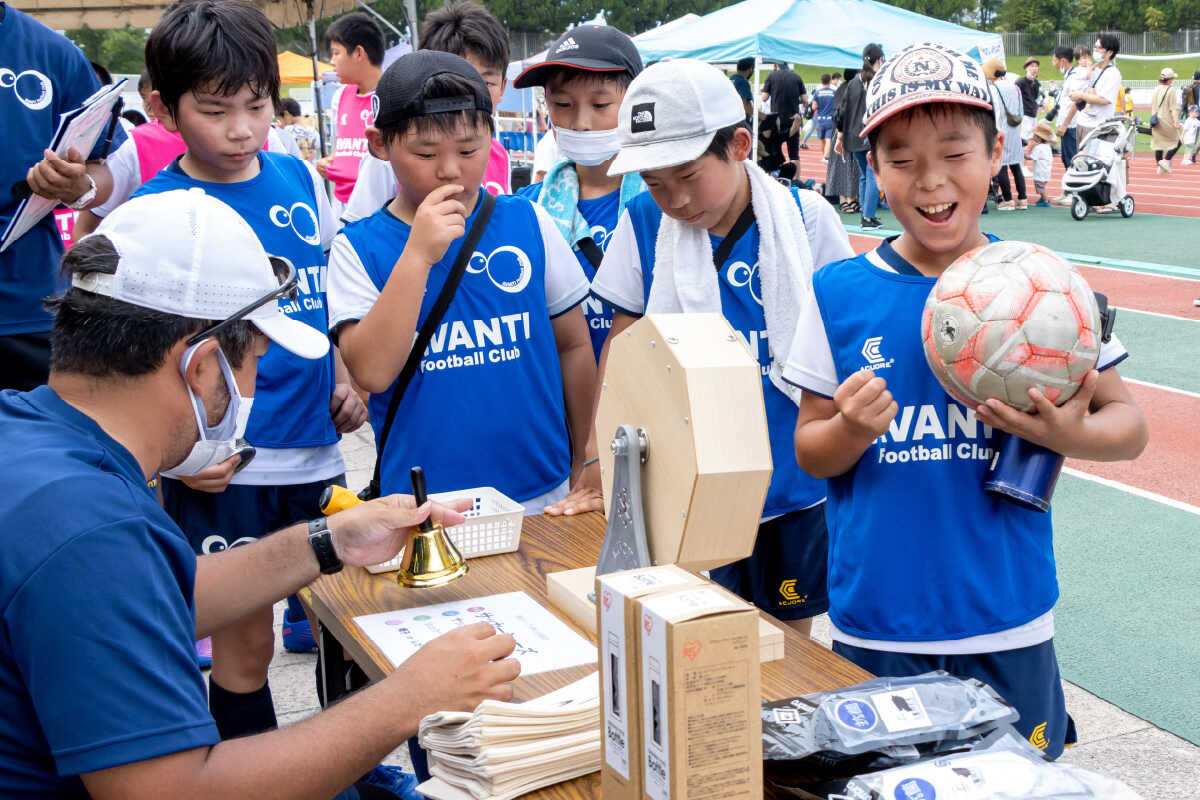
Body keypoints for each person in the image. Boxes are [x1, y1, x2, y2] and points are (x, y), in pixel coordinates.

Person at [0, 187, 520, 798]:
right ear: (200, 366)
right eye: (254, 366)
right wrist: (408, 698)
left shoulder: (33, 436)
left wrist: (331, 540)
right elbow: (172, 792)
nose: (251, 390)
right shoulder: (91, 528)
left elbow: (154, 599)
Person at [786, 42, 1147, 760]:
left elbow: (1128, 425)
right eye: (902, 160)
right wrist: (852, 431)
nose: (932, 181)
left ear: (994, 155)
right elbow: (809, 448)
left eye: (955, 154)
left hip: (1006, 616)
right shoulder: (838, 292)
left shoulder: (1043, 286)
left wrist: (1073, 431)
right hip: (879, 621)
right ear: (875, 173)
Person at [134, 0, 368, 739]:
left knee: (343, 621)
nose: (241, 129)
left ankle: (350, 772)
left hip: (316, 453)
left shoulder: (299, 178)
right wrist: (180, 460)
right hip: (224, 472)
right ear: (164, 109)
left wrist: (343, 376)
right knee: (245, 644)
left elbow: (324, 292)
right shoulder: (152, 213)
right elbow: (138, 359)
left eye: (256, 106)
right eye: (215, 109)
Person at [586, 59, 853, 632]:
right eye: (656, 183)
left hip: (790, 483)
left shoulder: (804, 221)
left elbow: (845, 337)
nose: (676, 200)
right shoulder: (641, 224)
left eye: (686, 175)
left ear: (737, 144)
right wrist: (596, 457)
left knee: (786, 638)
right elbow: (625, 345)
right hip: (688, 477)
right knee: (691, 628)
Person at [327, 51, 597, 517]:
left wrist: (583, 459)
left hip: (544, 493)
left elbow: (573, 346)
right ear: (379, 144)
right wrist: (417, 256)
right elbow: (370, 372)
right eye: (426, 154)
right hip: (422, 505)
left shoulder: (527, 220)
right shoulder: (359, 247)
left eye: (469, 150)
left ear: (491, 138)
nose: (450, 169)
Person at [3, 2, 126, 391]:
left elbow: (105, 171)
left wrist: (78, 187)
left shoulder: (52, 53)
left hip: (27, 309)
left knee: (35, 448)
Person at [512, 25, 646, 364]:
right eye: (562, 104)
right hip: (559, 399)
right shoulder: (528, 209)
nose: (580, 122)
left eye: (600, 104)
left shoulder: (668, 204)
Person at [341, 0, 514, 224]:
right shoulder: (391, 158)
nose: (473, 94)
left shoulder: (499, 155)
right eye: (456, 82)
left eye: (486, 83)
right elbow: (360, 231)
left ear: (502, 88)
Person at [317, 12, 385, 216]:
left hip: (377, 206)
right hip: (341, 203)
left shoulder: (392, 95)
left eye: (336, 53)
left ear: (358, 53)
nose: (331, 61)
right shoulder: (340, 96)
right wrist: (328, 161)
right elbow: (341, 149)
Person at [836, 43, 883, 230]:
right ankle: (868, 217)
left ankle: (866, 215)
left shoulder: (854, 82)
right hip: (869, 133)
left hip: (852, 135)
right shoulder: (877, 81)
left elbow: (842, 110)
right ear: (879, 60)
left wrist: (840, 135)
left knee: (865, 175)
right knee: (871, 174)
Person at [984, 58, 1028, 211]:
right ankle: (1023, 199)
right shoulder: (1015, 87)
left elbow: (993, 111)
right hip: (1015, 130)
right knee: (1016, 166)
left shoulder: (993, 89)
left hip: (1000, 128)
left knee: (1002, 165)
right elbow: (1021, 111)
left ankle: (1008, 200)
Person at [1071, 34, 1122, 145]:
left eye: (1099, 48)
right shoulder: (1091, 69)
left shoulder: (1113, 74)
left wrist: (1081, 95)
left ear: (1109, 53)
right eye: (1095, 47)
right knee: (1079, 160)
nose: (1095, 50)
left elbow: (1104, 100)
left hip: (1097, 127)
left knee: (1093, 160)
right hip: (1081, 122)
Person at [1048, 46, 1080, 204]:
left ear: (1063, 60)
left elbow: (1076, 103)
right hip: (1066, 125)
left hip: (1072, 126)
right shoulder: (1069, 76)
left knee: (1071, 159)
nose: (1053, 63)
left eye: (1054, 60)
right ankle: (1068, 190)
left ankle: (1074, 192)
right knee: (1066, 158)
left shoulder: (1074, 77)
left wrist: (1065, 124)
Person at [762, 62, 806, 160]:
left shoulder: (771, 76)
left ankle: (775, 174)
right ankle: (796, 175)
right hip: (793, 120)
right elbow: (805, 100)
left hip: (776, 120)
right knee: (794, 155)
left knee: (774, 150)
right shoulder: (797, 77)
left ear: (776, 65)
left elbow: (764, 97)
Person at [1150, 67, 1183, 174]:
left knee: (1158, 144)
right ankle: (1165, 160)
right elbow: (1173, 109)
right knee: (1178, 142)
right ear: (1170, 79)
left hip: (1155, 120)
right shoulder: (1171, 90)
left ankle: (1160, 166)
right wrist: (1176, 122)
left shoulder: (1156, 89)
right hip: (1166, 120)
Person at [280, 96, 320, 161]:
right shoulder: (313, 131)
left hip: (294, 167)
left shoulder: (287, 130)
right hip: (310, 168)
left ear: (286, 114)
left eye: (281, 119)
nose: (282, 123)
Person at [810, 73, 837, 163]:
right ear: (830, 81)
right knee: (828, 138)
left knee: (822, 139)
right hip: (830, 119)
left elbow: (814, 107)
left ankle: (824, 156)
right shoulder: (834, 92)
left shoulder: (817, 93)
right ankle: (826, 156)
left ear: (821, 81)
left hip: (820, 119)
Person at [1028, 120, 1055, 206]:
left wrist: (1024, 154)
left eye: (1034, 135)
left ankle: (1045, 200)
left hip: (1040, 172)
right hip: (1045, 171)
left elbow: (1031, 157)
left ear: (1039, 138)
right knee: (1040, 186)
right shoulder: (1047, 146)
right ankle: (1042, 199)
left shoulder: (1039, 148)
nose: (1033, 136)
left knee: (1040, 187)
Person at [1016, 57, 1040, 143]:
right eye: (1032, 66)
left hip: (1033, 114)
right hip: (1025, 115)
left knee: (1034, 138)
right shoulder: (1020, 83)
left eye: (1036, 66)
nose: (1034, 68)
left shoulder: (1036, 83)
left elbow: (1036, 98)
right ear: (1026, 68)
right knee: (1026, 139)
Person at [731, 57, 755, 125]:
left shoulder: (731, 79)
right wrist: (762, 116)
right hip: (740, 122)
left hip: (731, 121)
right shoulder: (743, 82)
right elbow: (745, 107)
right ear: (751, 69)